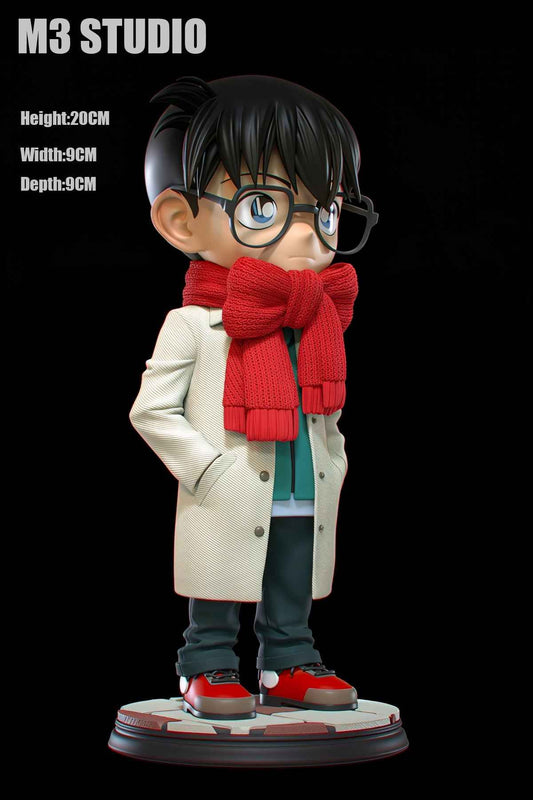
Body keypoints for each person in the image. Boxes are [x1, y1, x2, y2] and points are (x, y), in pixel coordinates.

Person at [130, 75, 379, 720]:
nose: (310, 235)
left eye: (327, 211)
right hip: (231, 483)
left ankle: (288, 660)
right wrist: (206, 467)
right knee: (219, 584)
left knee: (290, 576)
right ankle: (207, 664)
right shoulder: (194, 324)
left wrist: (334, 459)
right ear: (181, 220)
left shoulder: (316, 322)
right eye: (264, 206)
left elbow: (327, 411)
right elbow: (151, 409)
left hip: (301, 481)